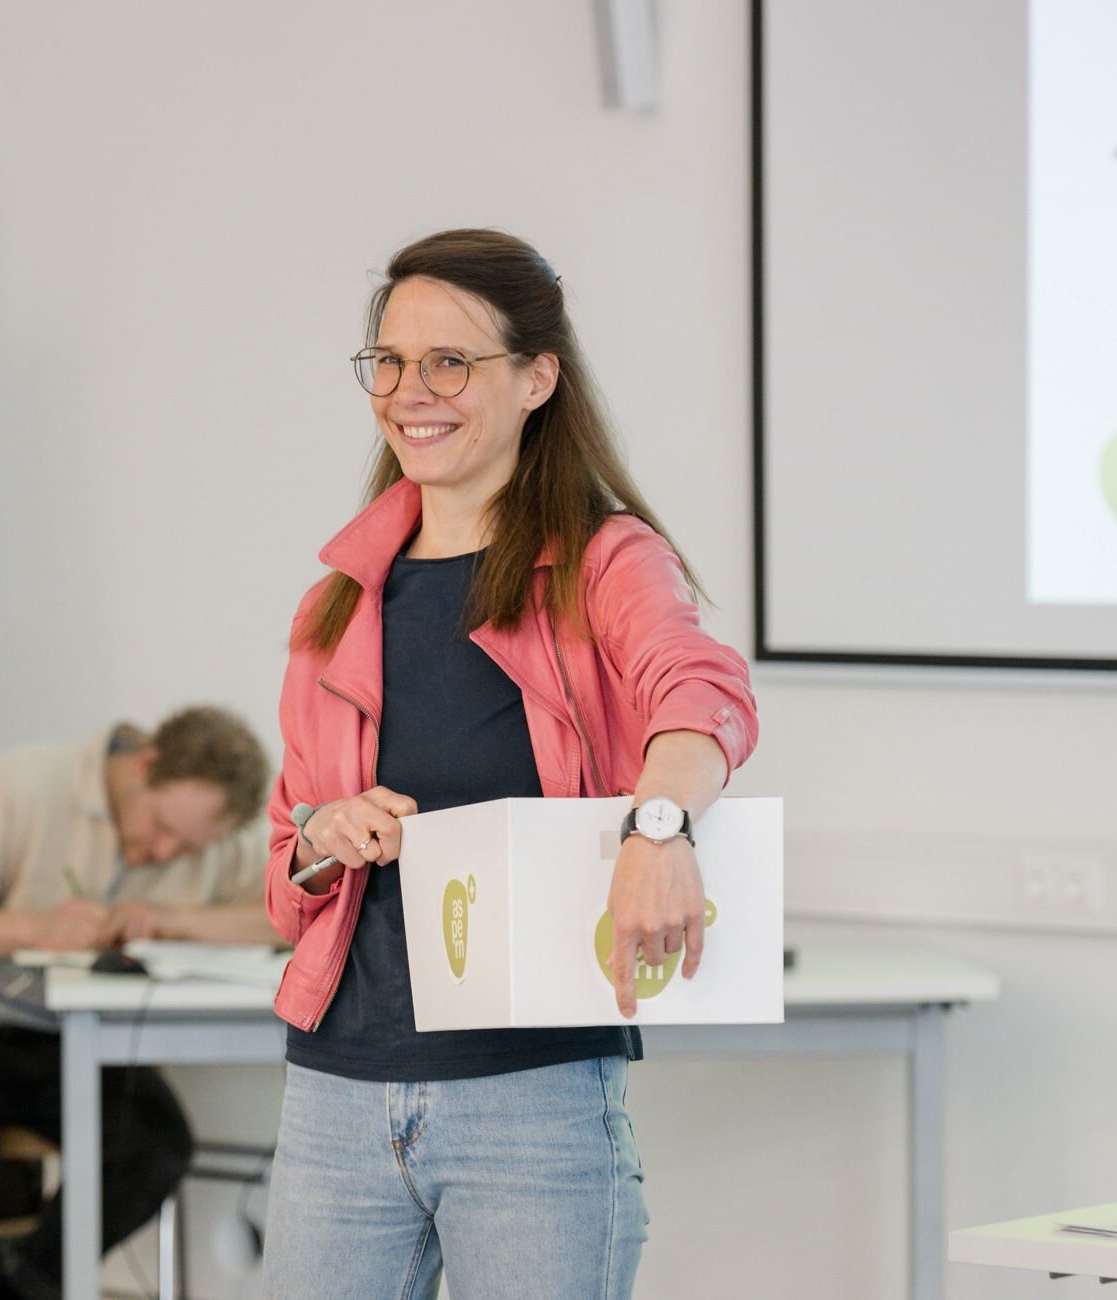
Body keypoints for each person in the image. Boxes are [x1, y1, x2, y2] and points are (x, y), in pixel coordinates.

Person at [260, 230, 758, 1298]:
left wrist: (659, 828)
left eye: (451, 362)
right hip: (336, 1096)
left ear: (537, 378)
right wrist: (321, 837)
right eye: (390, 361)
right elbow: (283, 864)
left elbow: (702, 695)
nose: (411, 391)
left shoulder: (606, 561)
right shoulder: (334, 602)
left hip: (531, 1100)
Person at [0, 706, 278, 1299]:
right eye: (161, 826)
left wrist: (174, 919)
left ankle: (14, 1293)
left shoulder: (218, 840)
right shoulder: (17, 786)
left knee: (154, 1146)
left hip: (79, 1041)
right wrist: (35, 930)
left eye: (188, 847)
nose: (165, 852)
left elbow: (281, 914)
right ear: (145, 766)